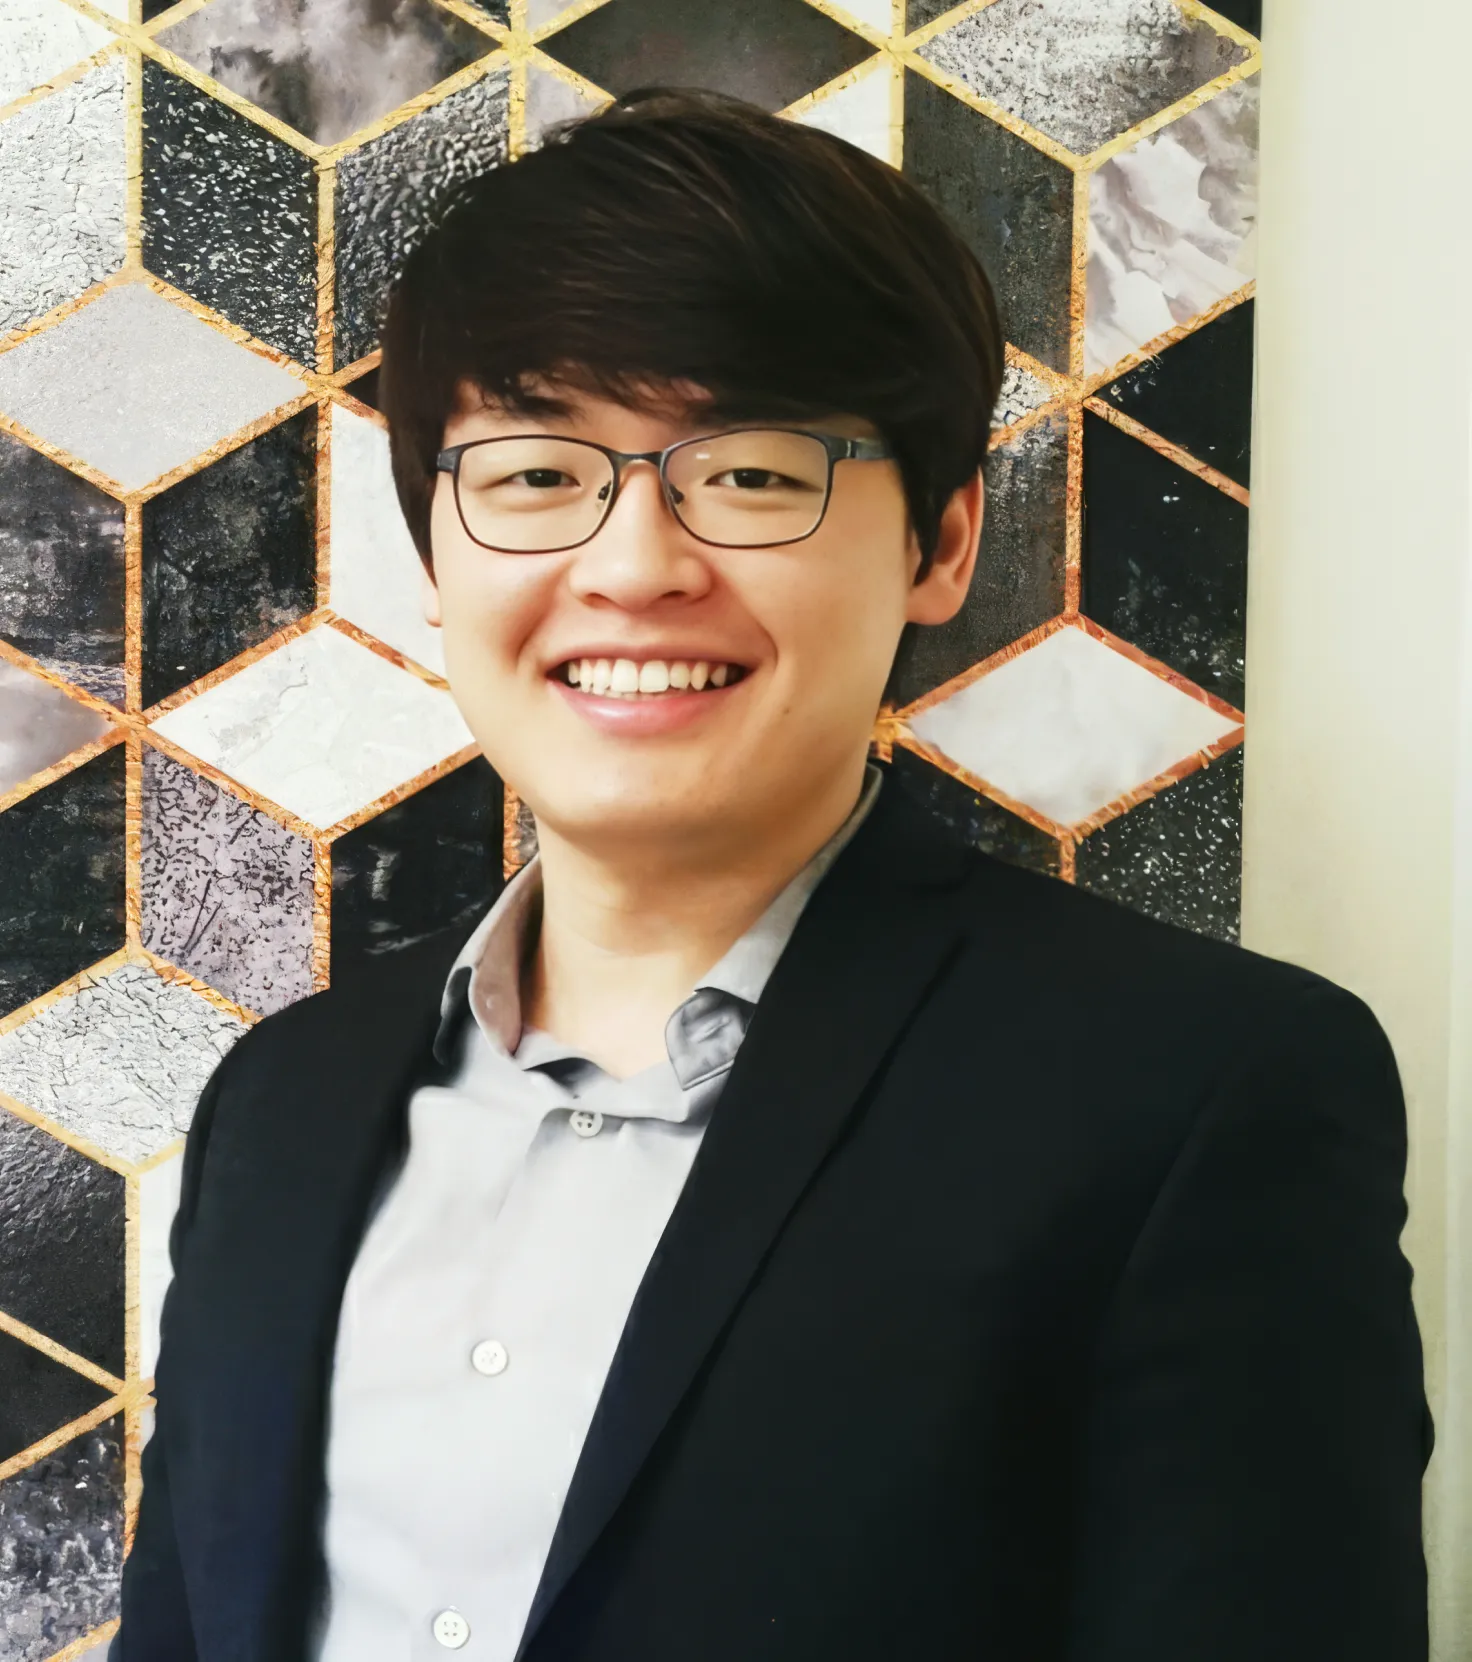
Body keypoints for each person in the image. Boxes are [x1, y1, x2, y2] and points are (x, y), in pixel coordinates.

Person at [114, 87, 1430, 1662]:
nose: (635, 564)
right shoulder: (284, 1099)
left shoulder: (1197, 1092)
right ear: (433, 558)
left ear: (943, 543)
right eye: (535, 474)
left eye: (747, 473)